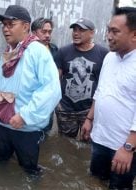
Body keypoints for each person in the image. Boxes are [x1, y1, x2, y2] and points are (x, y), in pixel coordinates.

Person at [0, 5, 61, 174]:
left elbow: (52, 90)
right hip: (2, 124)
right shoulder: (9, 52)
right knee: (0, 164)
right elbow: (0, 85)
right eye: (3, 25)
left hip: (25, 128)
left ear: (26, 26)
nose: (5, 29)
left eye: (11, 24)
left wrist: (25, 116)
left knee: (29, 171)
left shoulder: (38, 52)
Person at [81, 7, 136, 189]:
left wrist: (128, 148)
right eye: (108, 30)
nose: (108, 36)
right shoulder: (109, 58)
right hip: (100, 139)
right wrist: (89, 119)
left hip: (124, 147)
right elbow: (101, 91)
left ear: (134, 35)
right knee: (96, 181)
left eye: (115, 31)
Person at [54, 18, 108, 138]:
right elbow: (55, 79)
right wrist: (58, 104)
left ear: (92, 33)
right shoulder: (63, 52)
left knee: (88, 145)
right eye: (74, 29)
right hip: (66, 109)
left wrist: (92, 114)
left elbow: (104, 85)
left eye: (81, 30)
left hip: (89, 110)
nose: (76, 33)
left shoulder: (103, 54)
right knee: (65, 144)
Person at [31, 17, 58, 133]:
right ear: (33, 33)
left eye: (49, 32)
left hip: (48, 98)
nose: (47, 35)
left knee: (46, 129)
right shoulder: (26, 50)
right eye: (44, 31)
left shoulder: (54, 49)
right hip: (31, 98)